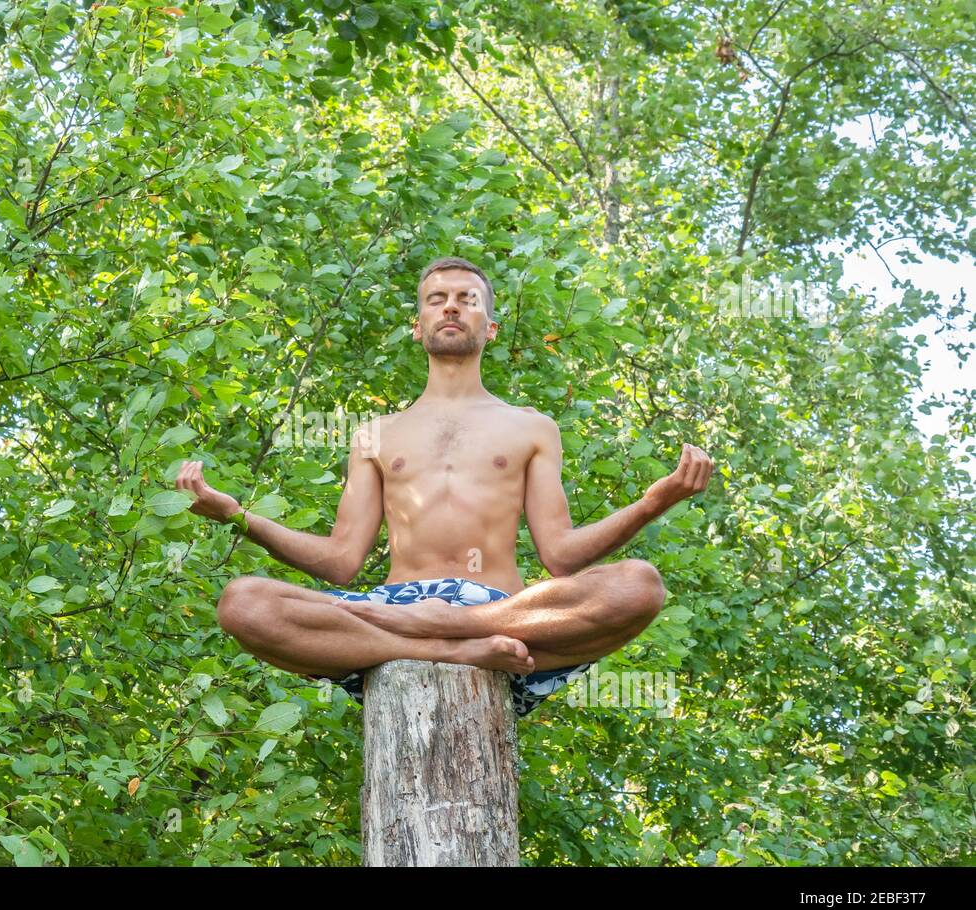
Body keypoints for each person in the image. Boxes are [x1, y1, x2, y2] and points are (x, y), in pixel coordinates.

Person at [176, 256, 713, 717]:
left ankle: (451, 629)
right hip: (398, 609)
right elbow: (340, 562)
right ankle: (453, 647)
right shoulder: (374, 435)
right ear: (418, 325)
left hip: (503, 616)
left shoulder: (531, 426)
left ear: (491, 326)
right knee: (243, 603)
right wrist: (237, 516)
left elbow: (562, 558)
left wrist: (652, 502)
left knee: (639, 586)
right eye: (436, 299)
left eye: (467, 299)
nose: (451, 307)